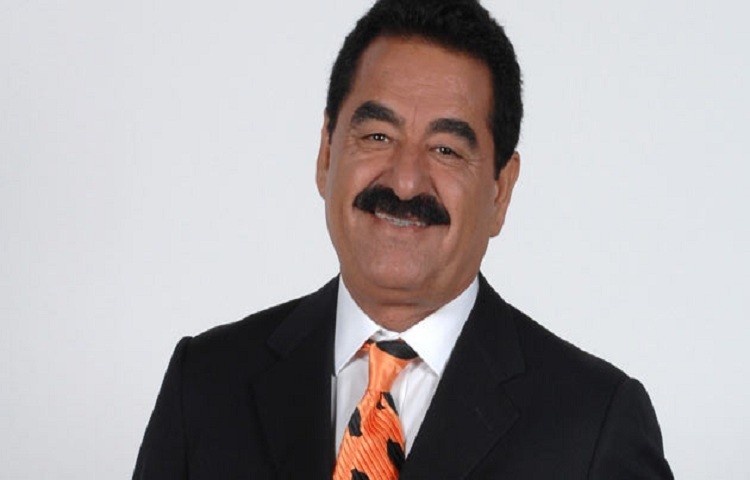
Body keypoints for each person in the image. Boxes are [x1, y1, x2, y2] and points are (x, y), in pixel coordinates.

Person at [133, 0, 673, 478]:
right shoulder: (205, 384)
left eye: (446, 150)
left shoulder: (594, 426)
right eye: (378, 136)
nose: (405, 181)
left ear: (500, 191)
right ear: (326, 155)